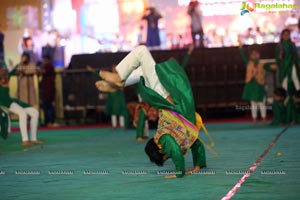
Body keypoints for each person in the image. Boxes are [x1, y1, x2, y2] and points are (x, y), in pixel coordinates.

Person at [95, 45, 216, 178]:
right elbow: (175, 150)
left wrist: (197, 166)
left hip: (169, 99)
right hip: (166, 97)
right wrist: (180, 172)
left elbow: (197, 145)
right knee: (142, 51)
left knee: (143, 69)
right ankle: (120, 79)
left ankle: (119, 83)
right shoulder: (163, 139)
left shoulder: (185, 139)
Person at [0, 66, 44, 146]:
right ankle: (25, 140)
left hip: (10, 101)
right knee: (22, 113)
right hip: (3, 104)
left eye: (3, 69)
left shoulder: (6, 76)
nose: (3, 71)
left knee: (35, 112)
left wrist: (21, 66)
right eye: (1, 70)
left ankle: (33, 139)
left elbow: (15, 70)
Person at [238, 39, 277, 125]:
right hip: (251, 85)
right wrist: (241, 47)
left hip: (259, 86)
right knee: (253, 104)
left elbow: (270, 68)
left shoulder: (262, 64)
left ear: (259, 55)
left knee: (261, 103)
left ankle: (263, 119)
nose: (255, 55)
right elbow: (243, 55)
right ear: (251, 56)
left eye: (256, 54)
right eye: (253, 54)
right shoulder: (248, 63)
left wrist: (277, 65)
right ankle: (254, 120)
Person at [275, 29, 300, 94]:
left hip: (291, 64)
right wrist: (278, 63)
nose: (286, 36)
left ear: (289, 36)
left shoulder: (292, 45)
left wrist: (296, 62)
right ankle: (284, 96)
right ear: (282, 36)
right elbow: (277, 58)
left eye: (287, 35)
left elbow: (296, 55)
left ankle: (298, 94)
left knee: (295, 78)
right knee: (284, 80)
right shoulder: (279, 46)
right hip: (283, 66)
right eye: (284, 35)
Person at [39, 55, 58, 127]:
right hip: (46, 91)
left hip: (49, 91)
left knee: (49, 107)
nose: (44, 61)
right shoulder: (47, 67)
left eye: (45, 60)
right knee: (46, 106)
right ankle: (48, 121)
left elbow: (43, 71)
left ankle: (51, 121)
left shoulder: (49, 67)